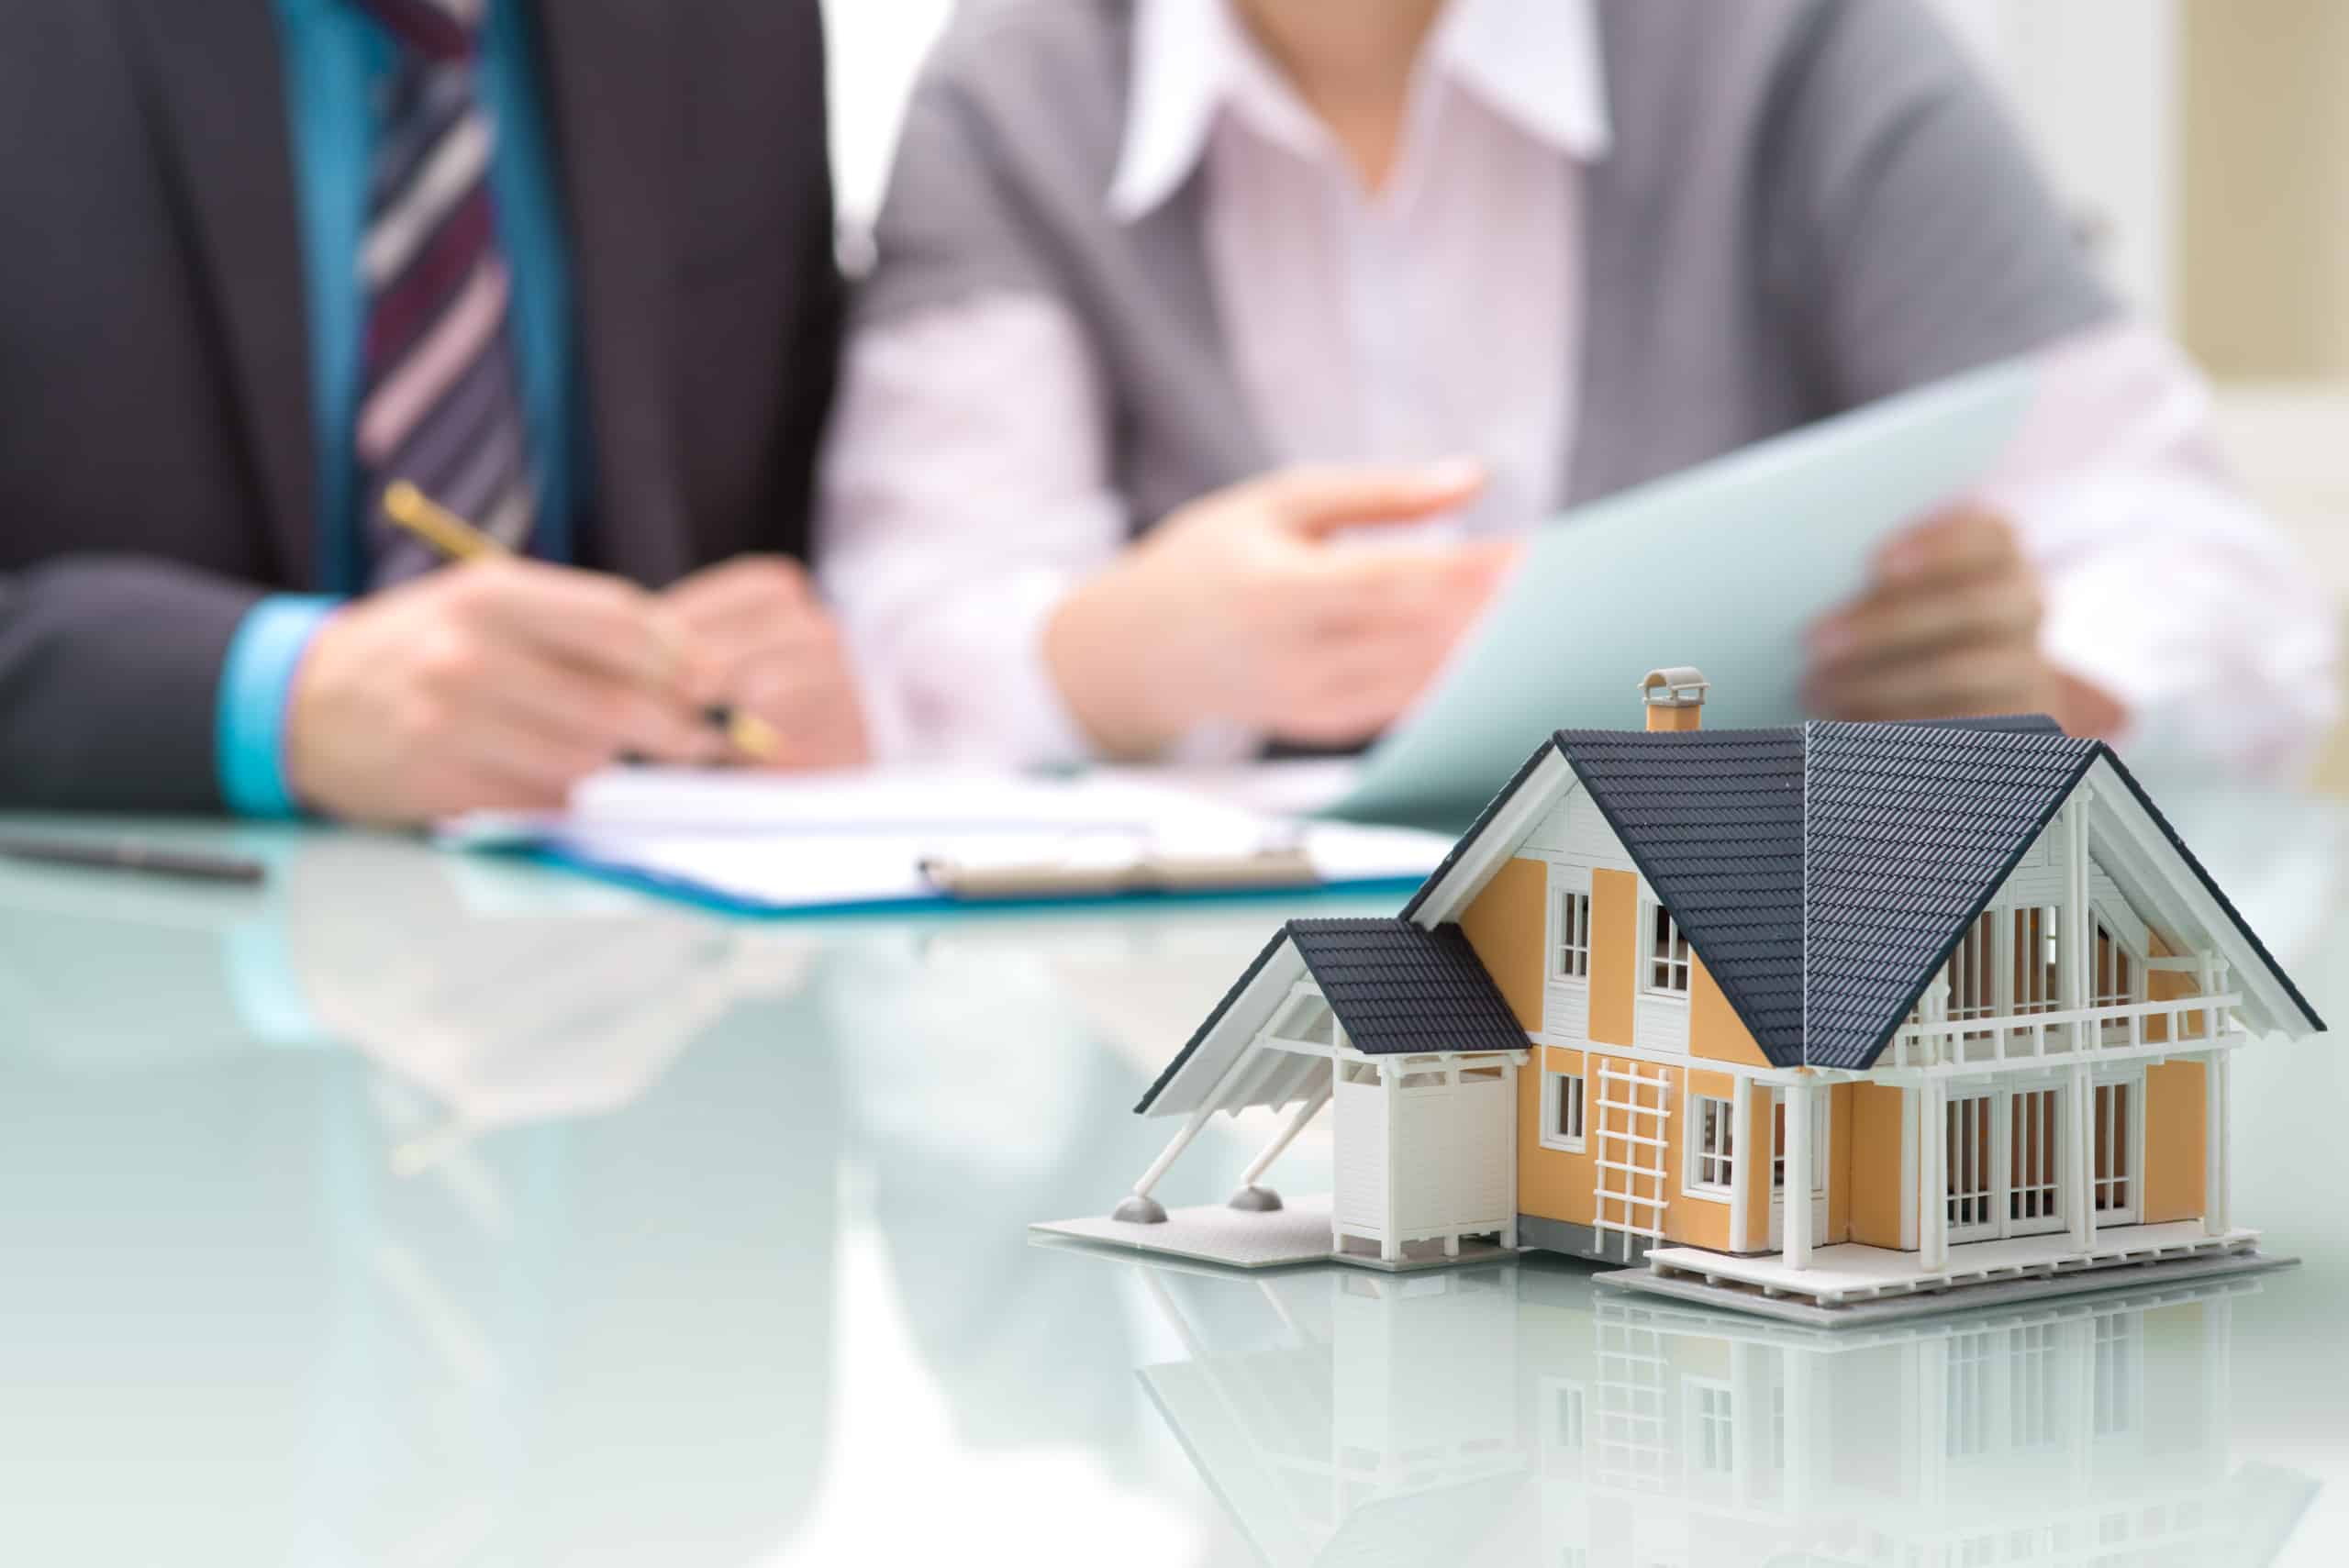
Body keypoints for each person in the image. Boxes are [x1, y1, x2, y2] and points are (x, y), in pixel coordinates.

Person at [819, 0, 2338, 779]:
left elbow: (2204, 575)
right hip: (1188, 1045)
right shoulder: (1008, 96)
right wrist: (1119, 658)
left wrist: (2040, 690)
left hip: (1762, 1034)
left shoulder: (1805, 47)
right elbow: (903, 623)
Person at [0, 0, 866, 824]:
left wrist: (805, 674)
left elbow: (798, 526)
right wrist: (277, 694)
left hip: (623, 933)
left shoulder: (742, 33)